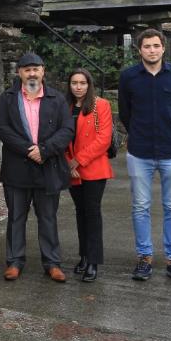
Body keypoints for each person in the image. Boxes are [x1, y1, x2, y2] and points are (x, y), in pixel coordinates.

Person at [119, 29, 171, 284]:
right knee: (141, 207)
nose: (152, 50)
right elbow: (125, 113)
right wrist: (139, 133)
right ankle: (144, 258)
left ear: (163, 48)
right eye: (147, 46)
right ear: (139, 50)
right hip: (140, 153)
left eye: (156, 46)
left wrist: (170, 129)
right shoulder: (128, 77)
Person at [0, 52, 75, 283]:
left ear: (43, 71)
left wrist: (45, 150)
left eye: (36, 69)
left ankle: (52, 263)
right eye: (27, 69)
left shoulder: (57, 99)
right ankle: (14, 261)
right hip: (17, 168)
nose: (32, 73)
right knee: (16, 217)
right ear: (19, 72)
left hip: (47, 166)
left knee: (48, 217)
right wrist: (29, 150)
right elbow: (3, 128)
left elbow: (67, 130)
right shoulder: (7, 98)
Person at [64, 68, 114, 283]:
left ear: (89, 84)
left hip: (93, 167)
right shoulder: (64, 106)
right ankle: (83, 256)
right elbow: (59, 136)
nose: (78, 87)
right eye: (74, 82)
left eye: (82, 83)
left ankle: (93, 261)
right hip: (71, 169)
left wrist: (78, 160)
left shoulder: (100, 105)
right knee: (80, 212)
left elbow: (103, 139)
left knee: (92, 213)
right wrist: (68, 163)